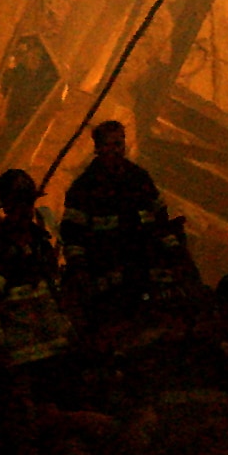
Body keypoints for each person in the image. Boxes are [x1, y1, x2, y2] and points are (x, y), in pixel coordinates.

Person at [0, 167, 76, 455]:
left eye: (26, 203)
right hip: (19, 364)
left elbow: (53, 295)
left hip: (54, 357)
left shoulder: (40, 244)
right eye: (15, 204)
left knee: (58, 433)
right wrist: (0, 351)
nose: (22, 210)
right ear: (5, 207)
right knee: (22, 435)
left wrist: (67, 329)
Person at [60, 120, 174, 332]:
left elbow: (161, 220)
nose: (116, 151)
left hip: (145, 274)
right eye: (109, 145)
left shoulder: (139, 178)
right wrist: (81, 271)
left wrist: (173, 255)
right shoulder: (85, 188)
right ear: (98, 148)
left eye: (119, 144)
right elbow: (72, 236)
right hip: (108, 281)